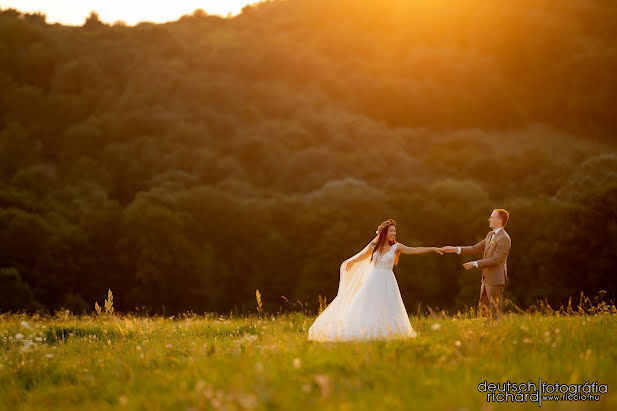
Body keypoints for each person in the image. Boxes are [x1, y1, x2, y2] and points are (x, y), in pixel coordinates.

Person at [308, 219, 443, 342]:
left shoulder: (396, 247)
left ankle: (388, 332)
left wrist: (432, 249)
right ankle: (365, 330)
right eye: (391, 230)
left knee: (388, 305)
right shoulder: (374, 246)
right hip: (373, 280)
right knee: (368, 305)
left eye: (395, 231)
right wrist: (350, 262)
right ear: (384, 232)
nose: (394, 233)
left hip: (388, 281)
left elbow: (414, 250)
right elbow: (362, 255)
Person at [443, 209, 511, 321]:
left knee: (494, 311)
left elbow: (496, 259)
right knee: (484, 309)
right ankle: (487, 332)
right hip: (486, 278)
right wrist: (455, 249)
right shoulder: (490, 235)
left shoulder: (504, 238)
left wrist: (475, 264)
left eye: (492, 217)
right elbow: (475, 248)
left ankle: (497, 332)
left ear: (499, 220)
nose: (489, 219)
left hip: (495, 279)